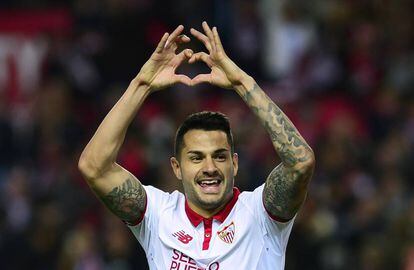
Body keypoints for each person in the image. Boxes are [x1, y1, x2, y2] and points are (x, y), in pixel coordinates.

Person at [78, 22, 315, 270]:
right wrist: (141, 85)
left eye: (220, 156)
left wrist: (242, 84)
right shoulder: (158, 216)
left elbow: (300, 162)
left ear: (234, 163)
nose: (209, 167)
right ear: (177, 167)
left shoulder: (260, 215)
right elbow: (94, 167)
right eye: (196, 157)